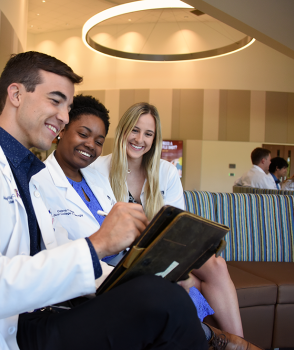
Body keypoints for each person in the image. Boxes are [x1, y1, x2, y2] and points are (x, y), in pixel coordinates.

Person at [0, 52, 209, 350]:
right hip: (0, 335)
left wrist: (128, 276)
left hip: (38, 314)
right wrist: (99, 244)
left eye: (67, 107)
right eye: (55, 101)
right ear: (16, 94)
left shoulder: (23, 173)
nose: (64, 117)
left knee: (158, 294)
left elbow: (55, 251)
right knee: (164, 302)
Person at [90, 102, 245, 338]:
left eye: (148, 133)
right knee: (192, 283)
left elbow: (178, 227)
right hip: (122, 256)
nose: (139, 139)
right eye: (134, 129)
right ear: (123, 130)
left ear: (155, 139)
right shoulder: (98, 170)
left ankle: (239, 342)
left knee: (217, 264)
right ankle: (228, 341)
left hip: (160, 251)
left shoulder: (166, 172)